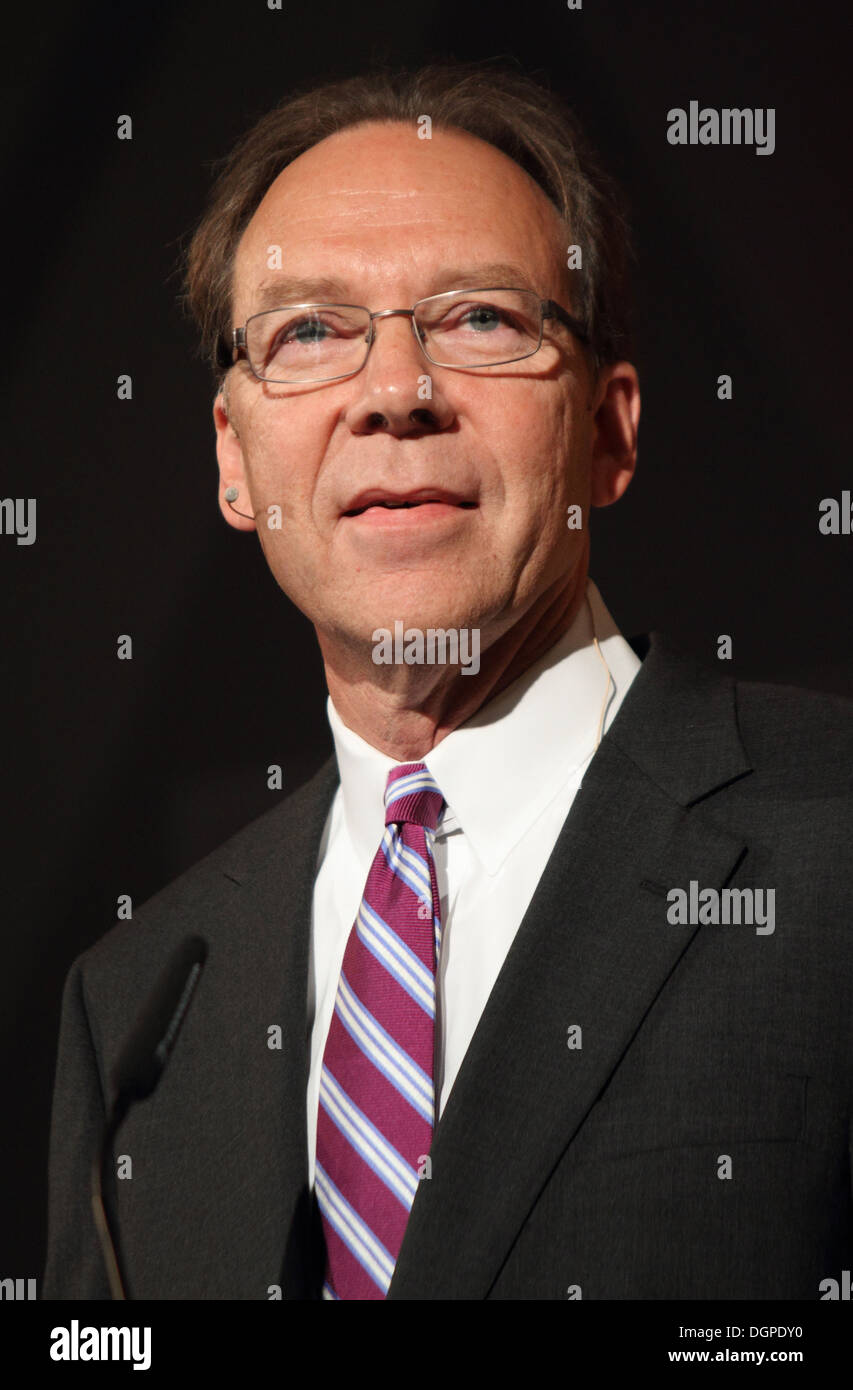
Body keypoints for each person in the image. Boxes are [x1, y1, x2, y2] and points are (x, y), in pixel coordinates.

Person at [43, 61, 853, 1301]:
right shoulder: (142, 999)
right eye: (310, 332)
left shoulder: (830, 841)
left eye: (480, 318)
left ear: (607, 431)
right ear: (232, 456)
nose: (394, 395)